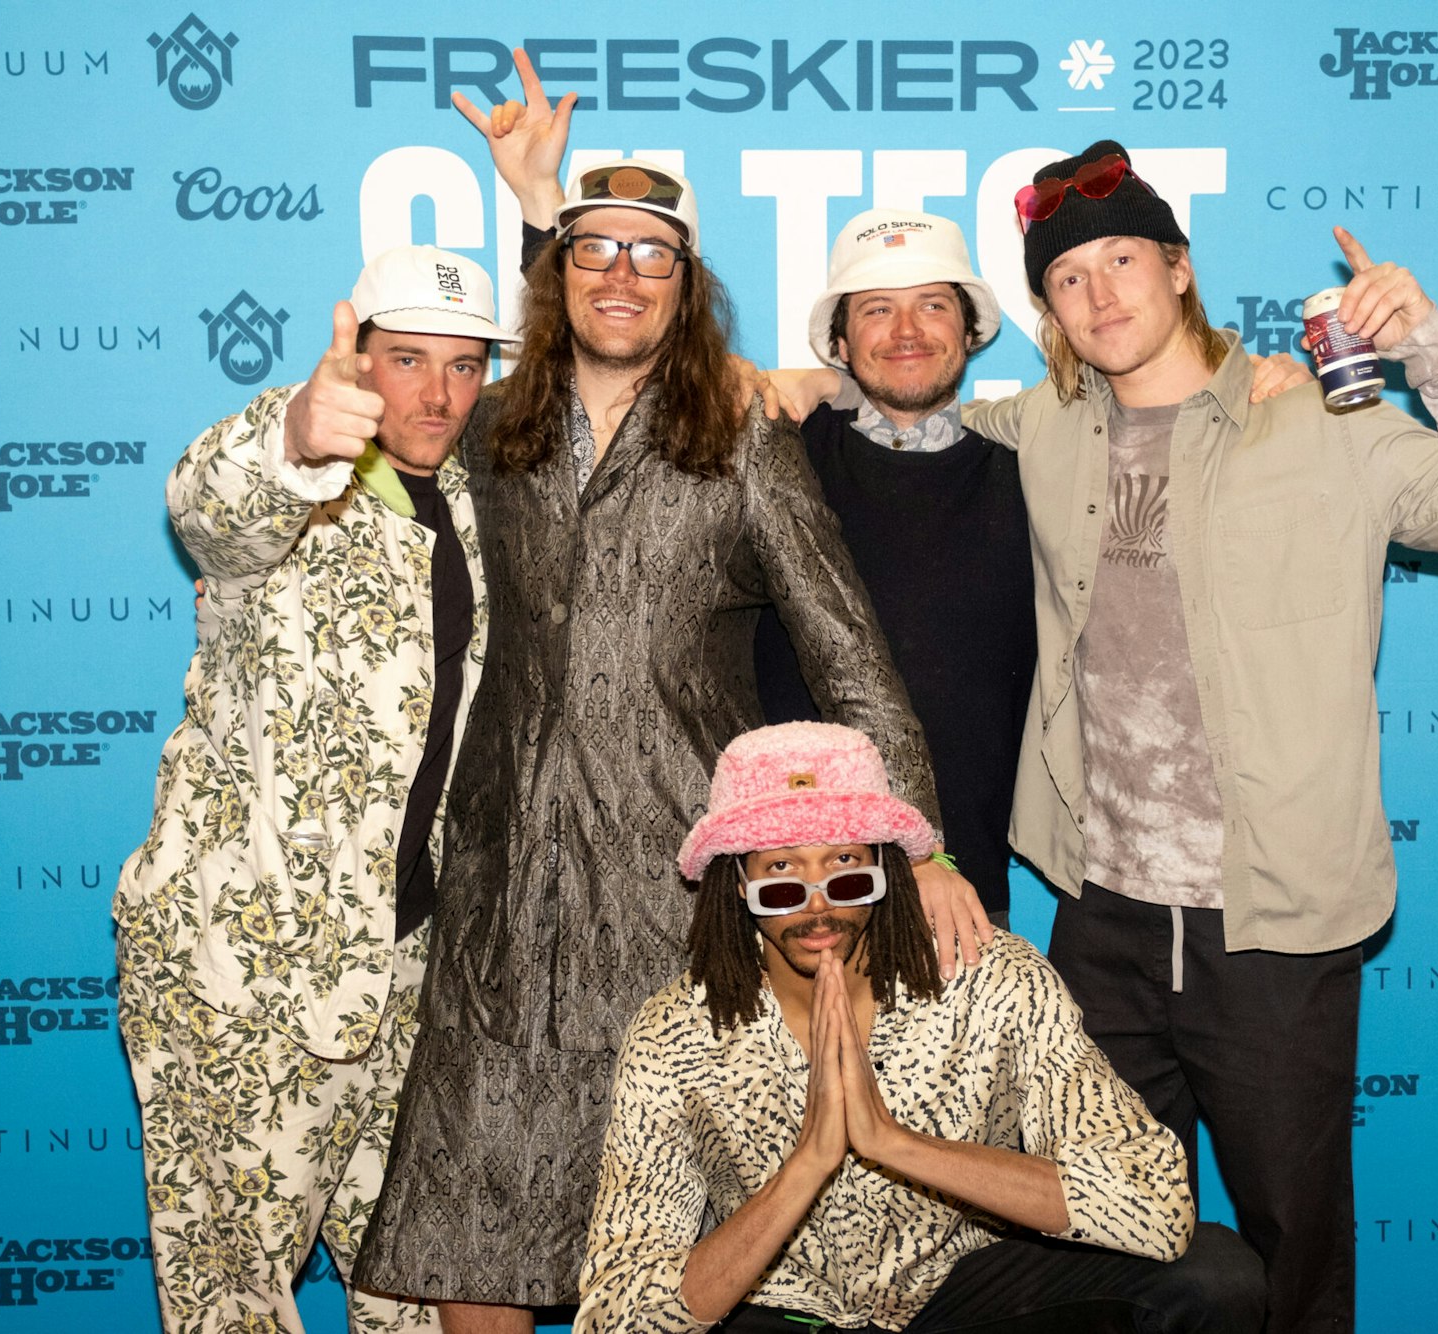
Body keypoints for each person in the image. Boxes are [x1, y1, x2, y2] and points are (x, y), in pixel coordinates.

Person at [349, 58, 986, 1333]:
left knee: (671, 1242)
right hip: (503, 886)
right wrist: (527, 197)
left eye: (652, 256)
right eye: (595, 254)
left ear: (685, 284)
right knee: (476, 1218)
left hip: (678, 892)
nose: (621, 276)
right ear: (558, 274)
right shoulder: (488, 424)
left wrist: (917, 849)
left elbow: (851, 659)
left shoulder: (740, 440)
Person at [962, 141, 1438, 1331]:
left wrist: (1430, 350)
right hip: (1099, 919)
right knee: (1115, 1252)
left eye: (1122, 259)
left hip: (1274, 927)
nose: (1099, 294)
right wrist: (776, 385)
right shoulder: (1039, 429)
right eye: (1067, 278)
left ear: (1180, 268)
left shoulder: (1326, 423)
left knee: (1293, 1256)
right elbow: (891, 437)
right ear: (1048, 311)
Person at [113, 245, 516, 1332]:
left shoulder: (481, 504)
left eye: (465, 364)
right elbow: (209, 504)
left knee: (411, 1289)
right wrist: (296, 433)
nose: (435, 393)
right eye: (405, 359)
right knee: (232, 1296)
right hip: (242, 966)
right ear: (356, 358)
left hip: (406, 965)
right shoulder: (300, 487)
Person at [578, 720, 1266, 1333]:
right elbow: (619, 1313)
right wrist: (809, 1164)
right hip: (784, 1307)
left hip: (961, 1292)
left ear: (885, 868)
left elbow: (1153, 1202)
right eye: (782, 874)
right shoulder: (677, 1035)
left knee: (1214, 1277)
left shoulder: (991, 982)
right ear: (737, 885)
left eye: (846, 869)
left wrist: (894, 1143)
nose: (818, 907)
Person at [750, 210, 1035, 926]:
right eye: (878, 309)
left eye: (932, 305)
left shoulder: (1035, 471)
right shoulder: (774, 451)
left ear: (971, 331)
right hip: (788, 884)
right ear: (840, 342)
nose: (906, 331)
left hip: (962, 882)